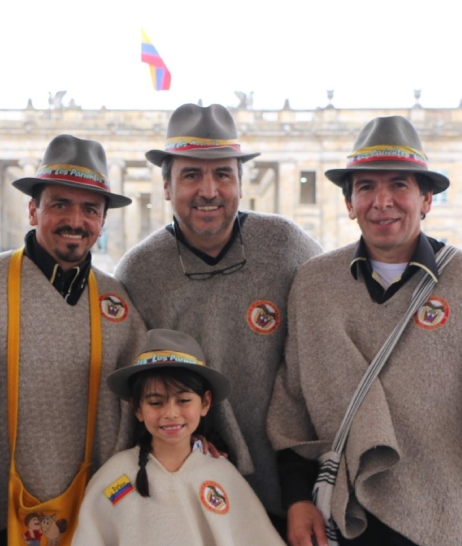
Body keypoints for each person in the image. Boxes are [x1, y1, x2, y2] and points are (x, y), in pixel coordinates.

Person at [268, 115, 462, 546]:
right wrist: (297, 498)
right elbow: (291, 407)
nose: (382, 201)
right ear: (348, 202)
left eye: (399, 185)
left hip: (452, 522)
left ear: (427, 199)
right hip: (346, 522)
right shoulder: (313, 285)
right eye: (365, 187)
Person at [114, 103, 322, 531]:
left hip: (287, 492)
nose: (208, 190)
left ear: (241, 183)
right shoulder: (138, 272)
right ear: (167, 186)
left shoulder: (286, 247)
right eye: (191, 175)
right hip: (187, 498)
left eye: (222, 174)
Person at [0, 134, 147, 545]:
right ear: (33, 209)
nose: (76, 220)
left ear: (103, 221)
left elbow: (149, 403)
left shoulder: (118, 303)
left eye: (90, 209)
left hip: (94, 520)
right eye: (59, 204)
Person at [72, 329, 285, 546]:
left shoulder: (222, 475)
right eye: (156, 402)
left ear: (205, 403)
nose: (171, 413)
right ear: (137, 408)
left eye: (183, 400)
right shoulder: (114, 477)